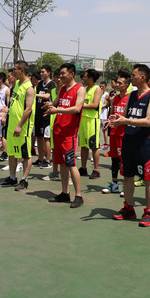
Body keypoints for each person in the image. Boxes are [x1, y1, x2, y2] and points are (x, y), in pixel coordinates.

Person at [110, 64, 150, 227]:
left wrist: (125, 120)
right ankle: (128, 208)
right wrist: (116, 120)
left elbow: (148, 121)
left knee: (148, 179)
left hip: (143, 142)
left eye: (134, 75)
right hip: (128, 140)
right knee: (127, 175)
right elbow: (125, 117)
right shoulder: (131, 96)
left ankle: (149, 212)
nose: (131, 78)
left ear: (143, 77)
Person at [43, 63, 85, 208]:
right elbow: (55, 104)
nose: (60, 76)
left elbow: (77, 108)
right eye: (60, 74)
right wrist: (49, 106)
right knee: (62, 164)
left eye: (63, 73)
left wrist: (58, 110)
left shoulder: (80, 89)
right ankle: (65, 193)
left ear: (72, 74)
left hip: (69, 134)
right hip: (58, 131)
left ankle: (78, 196)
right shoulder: (62, 89)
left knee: (71, 164)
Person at [0, 62, 36, 191]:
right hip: (11, 125)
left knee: (25, 155)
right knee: (12, 153)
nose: (13, 72)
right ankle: (12, 177)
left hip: (22, 127)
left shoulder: (29, 88)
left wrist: (19, 125)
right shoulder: (18, 84)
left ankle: (24, 180)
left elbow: (28, 109)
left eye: (15, 69)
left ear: (21, 70)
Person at [102, 70, 130, 195]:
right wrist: (109, 121)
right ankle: (114, 184)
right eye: (117, 83)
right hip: (114, 133)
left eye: (120, 83)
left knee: (125, 160)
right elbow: (113, 114)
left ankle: (126, 186)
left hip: (124, 135)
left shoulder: (130, 99)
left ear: (127, 85)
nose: (117, 85)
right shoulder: (114, 99)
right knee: (114, 159)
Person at [78, 68, 102, 179]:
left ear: (91, 78)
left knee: (94, 146)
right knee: (83, 145)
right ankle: (83, 168)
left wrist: (80, 106)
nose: (84, 78)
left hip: (92, 120)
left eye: (86, 76)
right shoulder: (84, 89)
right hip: (83, 120)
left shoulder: (97, 89)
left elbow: (95, 104)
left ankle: (96, 170)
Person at [33, 65, 55, 168]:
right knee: (39, 137)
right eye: (40, 72)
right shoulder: (39, 84)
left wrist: (34, 94)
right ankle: (40, 158)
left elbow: (47, 96)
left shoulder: (52, 84)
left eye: (43, 72)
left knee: (46, 138)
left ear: (48, 73)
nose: (41, 74)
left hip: (46, 115)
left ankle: (48, 160)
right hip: (38, 114)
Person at [99, 81, 110, 150]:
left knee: (104, 130)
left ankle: (106, 144)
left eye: (102, 86)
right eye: (100, 86)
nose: (101, 87)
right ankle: (98, 143)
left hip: (103, 115)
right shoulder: (98, 93)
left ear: (105, 87)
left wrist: (97, 107)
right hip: (98, 115)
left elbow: (106, 104)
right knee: (97, 130)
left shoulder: (106, 94)